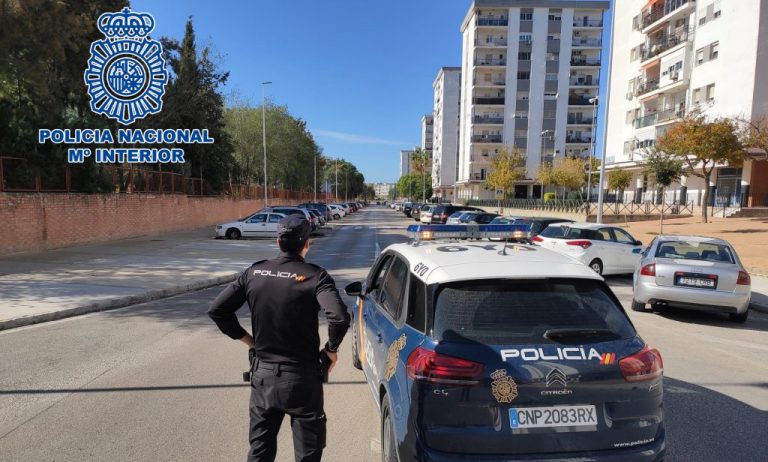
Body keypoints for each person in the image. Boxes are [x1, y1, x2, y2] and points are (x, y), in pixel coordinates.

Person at [208, 215, 350, 462]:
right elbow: (338, 317)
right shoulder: (316, 276)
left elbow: (218, 310)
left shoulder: (254, 272)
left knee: (260, 453)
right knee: (308, 454)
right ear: (307, 243)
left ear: (278, 242)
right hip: (303, 379)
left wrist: (250, 341)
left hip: (263, 377)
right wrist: (331, 348)